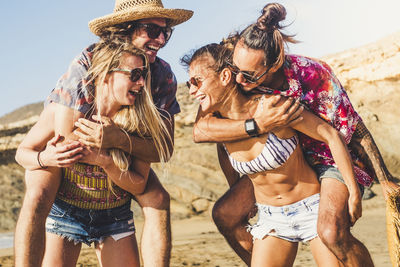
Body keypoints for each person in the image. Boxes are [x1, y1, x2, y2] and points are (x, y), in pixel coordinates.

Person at [188, 3, 396, 266]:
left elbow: (350, 131)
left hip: (327, 159)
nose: (240, 81)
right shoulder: (238, 82)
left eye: (249, 75)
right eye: (236, 72)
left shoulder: (310, 77)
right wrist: (257, 126)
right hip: (279, 195)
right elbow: (206, 132)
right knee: (225, 213)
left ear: (273, 65)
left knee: (331, 232)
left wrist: (376, 181)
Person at [13, 1, 193, 266]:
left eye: (166, 32)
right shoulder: (88, 62)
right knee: (39, 185)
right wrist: (45, 158)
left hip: (118, 169)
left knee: (157, 198)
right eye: (152, 31)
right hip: (72, 179)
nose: (162, 39)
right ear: (125, 28)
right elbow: (68, 135)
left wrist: (116, 141)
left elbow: (164, 149)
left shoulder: (162, 75)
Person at [182, 42, 360, 266]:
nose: (191, 90)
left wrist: (353, 192)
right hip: (272, 220)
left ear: (225, 76)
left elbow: (331, 136)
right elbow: (219, 147)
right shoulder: (219, 127)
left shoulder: (274, 108)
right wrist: (236, 188)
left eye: (196, 81)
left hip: (311, 210)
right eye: (189, 83)